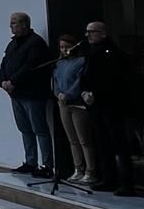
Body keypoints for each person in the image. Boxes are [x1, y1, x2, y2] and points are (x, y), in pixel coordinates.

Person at [81, 21, 135, 196]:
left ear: (103, 33)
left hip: (111, 104)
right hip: (94, 104)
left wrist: (95, 93)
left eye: (92, 32)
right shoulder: (90, 53)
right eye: (87, 32)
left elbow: (113, 79)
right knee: (102, 143)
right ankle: (108, 178)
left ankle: (126, 182)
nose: (88, 35)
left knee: (118, 143)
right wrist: (84, 92)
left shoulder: (111, 53)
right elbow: (86, 76)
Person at [0, 11, 54, 175]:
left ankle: (46, 165)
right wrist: (2, 81)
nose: (11, 26)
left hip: (32, 93)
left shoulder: (35, 43)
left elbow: (30, 66)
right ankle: (30, 161)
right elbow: (4, 63)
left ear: (24, 24)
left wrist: (13, 81)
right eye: (11, 23)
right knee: (25, 129)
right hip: (16, 94)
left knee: (39, 129)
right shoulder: (13, 43)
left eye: (14, 23)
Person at [51, 34, 94, 184]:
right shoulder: (59, 64)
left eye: (67, 47)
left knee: (84, 139)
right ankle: (78, 168)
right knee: (72, 139)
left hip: (77, 103)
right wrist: (58, 93)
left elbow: (79, 81)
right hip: (63, 104)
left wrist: (68, 94)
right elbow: (55, 80)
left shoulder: (81, 62)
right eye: (61, 47)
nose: (64, 50)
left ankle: (90, 170)